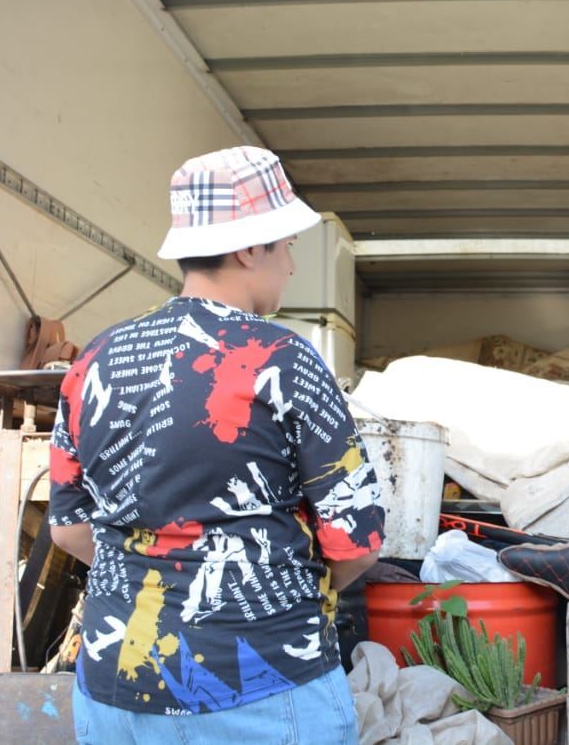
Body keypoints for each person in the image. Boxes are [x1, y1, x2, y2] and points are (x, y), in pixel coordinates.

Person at [49, 147, 383, 743]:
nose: (291, 266)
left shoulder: (94, 360)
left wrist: (155, 582)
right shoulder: (283, 359)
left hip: (115, 690)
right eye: (287, 247)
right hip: (262, 687)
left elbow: (69, 529)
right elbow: (356, 543)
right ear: (249, 248)